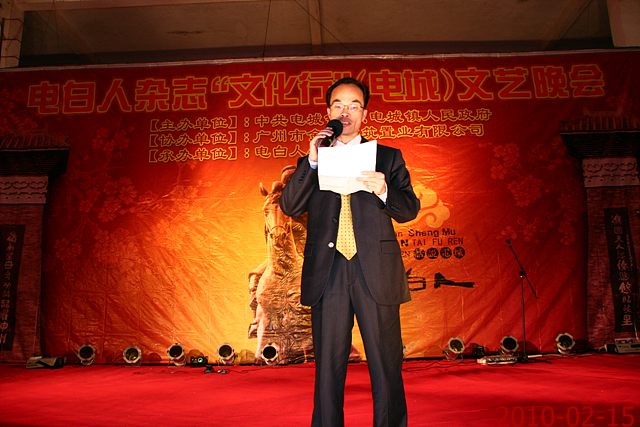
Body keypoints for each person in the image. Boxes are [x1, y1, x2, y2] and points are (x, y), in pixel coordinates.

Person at [280, 77, 420, 427]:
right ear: (328, 112)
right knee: (328, 368)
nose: (346, 111)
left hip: (375, 271)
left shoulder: (387, 157)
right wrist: (312, 162)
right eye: (339, 105)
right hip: (328, 273)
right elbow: (290, 205)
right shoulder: (313, 159)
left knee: (386, 364)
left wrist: (385, 190)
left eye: (354, 105)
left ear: (364, 114)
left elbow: (409, 210)